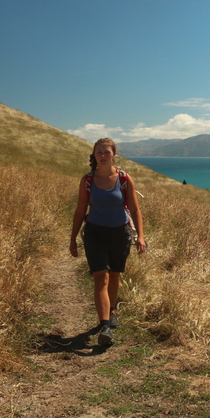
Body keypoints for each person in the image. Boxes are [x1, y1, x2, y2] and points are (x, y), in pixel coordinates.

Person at [69, 138, 146, 346]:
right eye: (99, 153)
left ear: (114, 155)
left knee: (114, 275)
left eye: (106, 152)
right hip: (95, 233)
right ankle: (105, 326)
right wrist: (73, 239)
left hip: (120, 234)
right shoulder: (87, 180)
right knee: (100, 277)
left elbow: (135, 209)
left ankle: (111, 312)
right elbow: (80, 211)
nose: (103, 156)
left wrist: (140, 236)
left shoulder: (124, 179)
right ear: (94, 155)